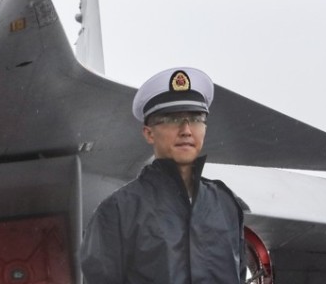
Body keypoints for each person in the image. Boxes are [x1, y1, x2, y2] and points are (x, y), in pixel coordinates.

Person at [80, 67, 248, 283]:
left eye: (196, 118)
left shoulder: (226, 205)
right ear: (149, 133)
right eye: (173, 119)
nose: (186, 130)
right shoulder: (118, 212)